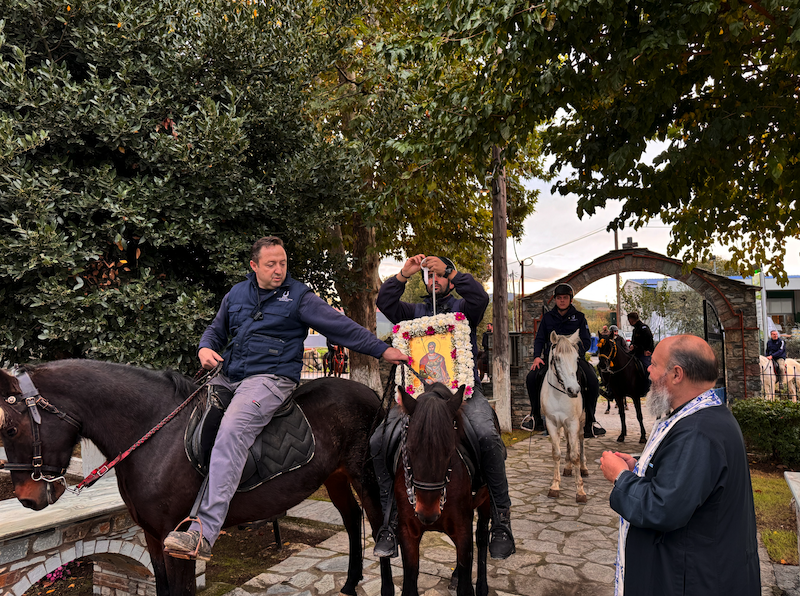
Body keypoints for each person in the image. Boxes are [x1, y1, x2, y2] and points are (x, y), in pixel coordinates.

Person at [163, 236, 407, 560]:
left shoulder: (299, 298)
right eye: (271, 264)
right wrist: (205, 347)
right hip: (229, 375)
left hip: (269, 380)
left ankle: (203, 534)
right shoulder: (237, 294)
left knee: (233, 432)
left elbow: (341, 327)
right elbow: (215, 330)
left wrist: (383, 349)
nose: (279, 270)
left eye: (283, 263)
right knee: (182, 417)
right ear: (254, 266)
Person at [370, 254, 515, 560]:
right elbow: (385, 303)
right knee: (379, 440)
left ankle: (501, 519)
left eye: (439, 276)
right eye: (429, 277)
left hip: (461, 396)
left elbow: (480, 296)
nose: (434, 281)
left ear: (449, 279)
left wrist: (452, 270)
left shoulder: (465, 308)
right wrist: (403, 275)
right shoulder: (412, 312)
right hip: (419, 399)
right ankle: (389, 518)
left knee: (489, 439)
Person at [600, 335, 759, 595]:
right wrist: (641, 466)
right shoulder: (704, 416)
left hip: (692, 580)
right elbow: (686, 475)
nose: (648, 371)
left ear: (676, 374)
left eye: (653, 364)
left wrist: (620, 477)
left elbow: (662, 506)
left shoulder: (698, 431)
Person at [521, 283, 605, 438]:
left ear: (570, 300)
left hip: (573, 358)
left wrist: (572, 353)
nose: (562, 301)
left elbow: (586, 341)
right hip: (551, 359)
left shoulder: (579, 317)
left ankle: (591, 422)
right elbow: (540, 338)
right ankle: (535, 417)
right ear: (556, 300)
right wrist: (537, 357)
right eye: (559, 298)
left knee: (592, 380)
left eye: (565, 298)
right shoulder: (547, 318)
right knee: (531, 378)